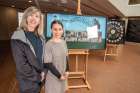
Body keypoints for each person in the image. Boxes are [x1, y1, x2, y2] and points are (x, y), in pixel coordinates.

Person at [11, 6, 45, 93]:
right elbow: (22, 65)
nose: (34, 18)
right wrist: (38, 77)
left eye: (37, 16)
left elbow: (42, 57)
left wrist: (43, 72)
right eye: (31, 15)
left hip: (40, 79)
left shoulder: (41, 37)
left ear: (40, 21)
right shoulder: (18, 37)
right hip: (27, 82)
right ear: (26, 17)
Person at [44, 20, 69, 93]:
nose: (57, 32)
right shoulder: (48, 44)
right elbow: (48, 63)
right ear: (51, 30)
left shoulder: (64, 42)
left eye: (60, 29)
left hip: (63, 75)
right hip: (53, 77)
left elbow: (66, 57)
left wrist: (67, 70)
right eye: (55, 29)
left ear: (62, 30)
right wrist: (59, 76)